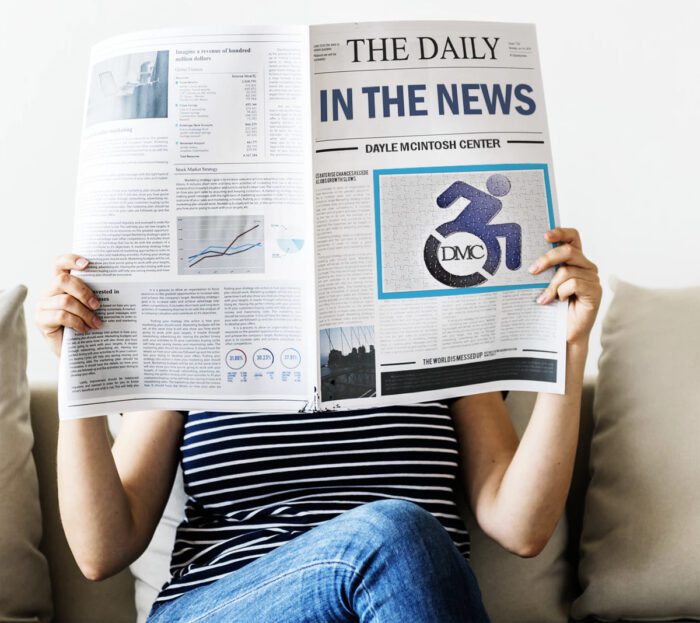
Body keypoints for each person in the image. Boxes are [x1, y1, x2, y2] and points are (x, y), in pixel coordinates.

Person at [35, 227, 601, 623]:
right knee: (390, 534)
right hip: (221, 606)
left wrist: (570, 348)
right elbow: (100, 550)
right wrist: (79, 372)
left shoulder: (434, 323)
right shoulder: (199, 327)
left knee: (392, 536)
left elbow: (521, 527)